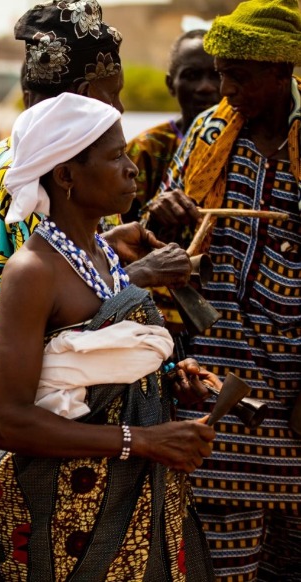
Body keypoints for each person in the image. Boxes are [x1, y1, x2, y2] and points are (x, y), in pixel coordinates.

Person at [0, 3, 196, 580]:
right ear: (86, 97)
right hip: (48, 420)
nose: (121, 109)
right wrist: (138, 279)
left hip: (33, 407)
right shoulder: (47, 181)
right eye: (114, 96)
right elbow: (61, 303)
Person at [0, 90, 216, 582]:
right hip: (68, 515)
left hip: (134, 500)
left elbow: (99, 372)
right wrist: (142, 440)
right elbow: (3, 422)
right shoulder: (34, 271)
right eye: (115, 157)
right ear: (66, 176)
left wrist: (166, 379)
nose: (131, 169)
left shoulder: (103, 257)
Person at [145, 1, 301, 578]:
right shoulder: (209, 132)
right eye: (220, 72)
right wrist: (163, 213)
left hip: (295, 389)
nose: (225, 88)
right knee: (220, 564)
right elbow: (160, 239)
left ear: (281, 72)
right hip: (216, 382)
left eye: (239, 75)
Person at [124, 30, 220, 223]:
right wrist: (154, 215)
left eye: (217, 75)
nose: (206, 87)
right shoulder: (145, 149)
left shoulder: (248, 146)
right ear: (170, 84)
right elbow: (118, 224)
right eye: (192, 75)